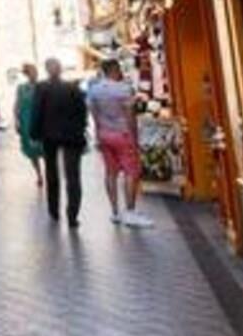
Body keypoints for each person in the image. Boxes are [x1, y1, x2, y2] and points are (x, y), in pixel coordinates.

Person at [88, 57, 153, 228]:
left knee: (111, 172)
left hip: (104, 134)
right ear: (114, 70)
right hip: (123, 134)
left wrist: (98, 134)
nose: (121, 72)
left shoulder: (94, 90)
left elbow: (94, 114)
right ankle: (130, 212)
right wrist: (135, 137)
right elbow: (130, 115)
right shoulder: (124, 89)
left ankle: (115, 212)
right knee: (131, 172)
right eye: (119, 69)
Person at [24, 56, 88, 226]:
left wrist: (33, 134)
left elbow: (36, 111)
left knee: (51, 173)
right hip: (72, 137)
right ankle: (72, 215)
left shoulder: (41, 88)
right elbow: (82, 112)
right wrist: (81, 131)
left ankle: (54, 211)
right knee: (73, 176)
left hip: (49, 136)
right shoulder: (72, 88)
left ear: (47, 70)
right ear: (60, 69)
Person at [12, 62, 45, 188]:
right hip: (26, 122)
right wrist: (16, 121)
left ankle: (49, 172)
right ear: (27, 74)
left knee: (45, 149)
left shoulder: (43, 86)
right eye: (32, 71)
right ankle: (39, 174)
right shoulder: (21, 88)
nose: (34, 73)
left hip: (41, 122)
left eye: (35, 71)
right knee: (32, 151)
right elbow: (17, 105)